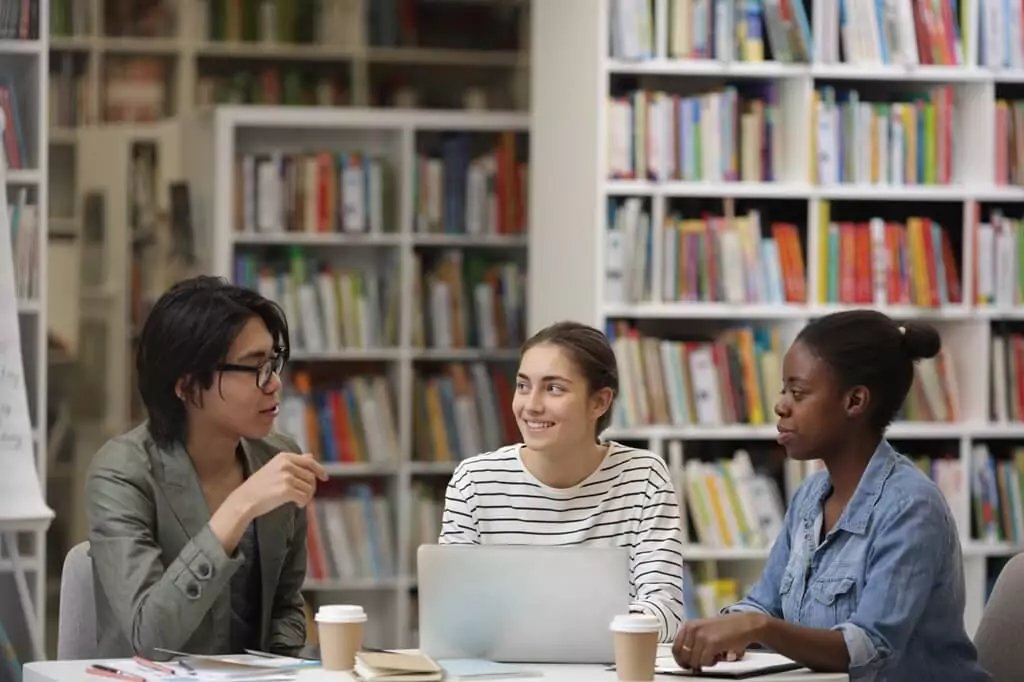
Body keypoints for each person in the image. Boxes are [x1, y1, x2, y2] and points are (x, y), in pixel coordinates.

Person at [671, 310, 991, 681]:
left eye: (798, 392)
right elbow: (764, 603)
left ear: (855, 401)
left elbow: (870, 649)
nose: (780, 405)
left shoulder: (910, 507)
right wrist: (723, 628)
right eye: (783, 390)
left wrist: (758, 628)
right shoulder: (810, 497)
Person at [85, 276, 328, 658]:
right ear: (187, 385)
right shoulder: (122, 472)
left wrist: (286, 666)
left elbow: (285, 605)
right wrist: (239, 507)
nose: (275, 383)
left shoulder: (275, 458)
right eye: (255, 367)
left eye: (274, 363)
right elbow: (149, 637)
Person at [439, 321, 684, 642]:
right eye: (523, 385)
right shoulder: (473, 481)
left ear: (599, 402)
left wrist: (574, 633)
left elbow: (665, 610)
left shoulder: (644, 477)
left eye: (553, 388)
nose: (531, 405)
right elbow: (450, 612)